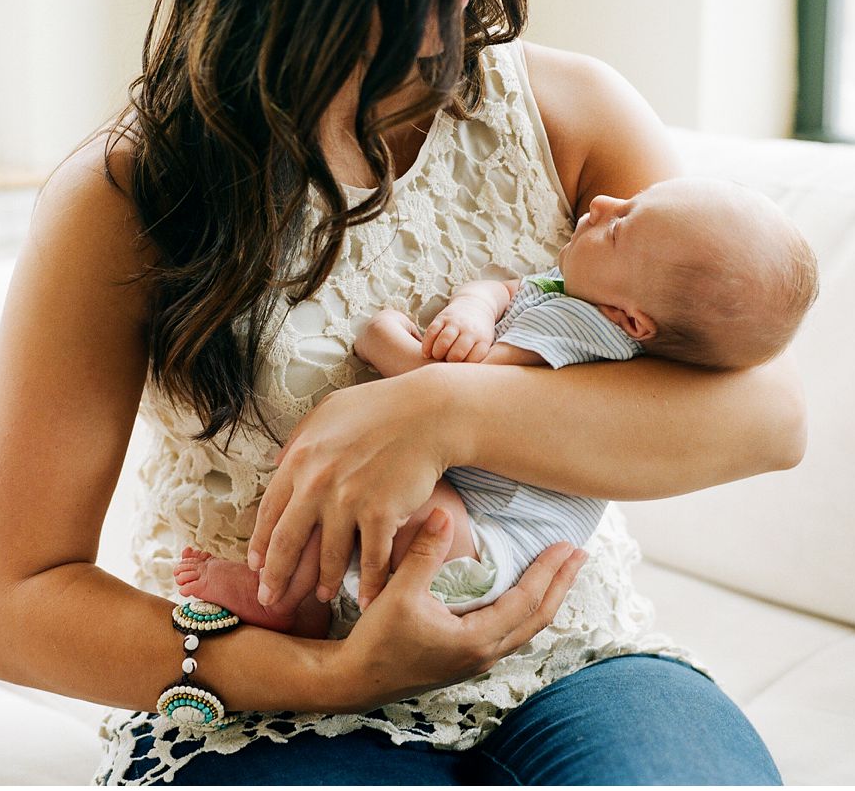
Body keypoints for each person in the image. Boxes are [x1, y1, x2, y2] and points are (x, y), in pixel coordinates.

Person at [0, 0, 803, 784]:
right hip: (274, 702)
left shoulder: (571, 114)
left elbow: (772, 418)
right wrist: (334, 675)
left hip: (572, 659)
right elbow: (8, 604)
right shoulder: (130, 192)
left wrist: (438, 411)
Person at [173, 176, 819, 628]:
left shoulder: (588, 327)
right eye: (628, 200)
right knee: (352, 474)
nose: (600, 203)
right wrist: (473, 307)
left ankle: (287, 599)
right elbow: (501, 288)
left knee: (363, 479)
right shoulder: (575, 291)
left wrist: (383, 339)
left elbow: (460, 379)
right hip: (482, 516)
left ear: (632, 320)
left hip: (493, 541)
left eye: (621, 226)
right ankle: (303, 608)